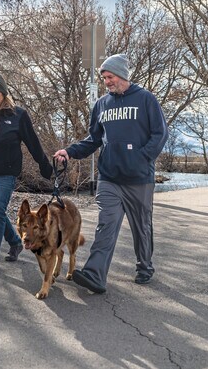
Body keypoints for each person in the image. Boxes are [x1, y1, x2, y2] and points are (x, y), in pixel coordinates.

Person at [54, 54, 168, 293]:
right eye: (104, 77)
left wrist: (141, 157)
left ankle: (145, 267)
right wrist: (69, 151)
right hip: (110, 178)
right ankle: (95, 275)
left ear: (123, 75)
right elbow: (93, 139)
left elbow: (160, 134)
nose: (107, 81)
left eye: (110, 76)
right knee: (106, 225)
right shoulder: (102, 105)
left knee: (142, 227)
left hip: (139, 180)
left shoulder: (145, 99)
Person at [0, 73, 53, 273]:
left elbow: (33, 142)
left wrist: (44, 165)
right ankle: (15, 242)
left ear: (4, 94)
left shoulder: (18, 115)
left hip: (7, 171)